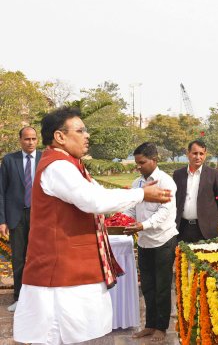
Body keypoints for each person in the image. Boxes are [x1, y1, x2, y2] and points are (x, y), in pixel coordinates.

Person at [13, 107, 171, 345]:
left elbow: (99, 193)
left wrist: (138, 194)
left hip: (69, 267)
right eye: (80, 130)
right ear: (60, 136)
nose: (87, 135)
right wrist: (141, 194)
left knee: (68, 334)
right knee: (55, 335)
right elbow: (93, 200)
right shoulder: (58, 166)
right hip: (60, 270)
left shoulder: (71, 164)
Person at [123, 142, 179, 343]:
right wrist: (122, 219)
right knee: (147, 286)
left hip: (163, 240)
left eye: (142, 162)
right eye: (137, 163)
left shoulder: (166, 182)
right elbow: (131, 208)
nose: (138, 166)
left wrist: (142, 225)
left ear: (154, 160)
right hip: (144, 241)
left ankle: (161, 327)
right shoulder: (137, 183)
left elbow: (165, 212)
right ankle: (149, 325)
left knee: (162, 287)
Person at [0, 126, 41, 312]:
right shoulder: (9, 160)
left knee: (39, 258)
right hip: (16, 216)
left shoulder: (44, 159)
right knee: (18, 259)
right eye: (27, 139)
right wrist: (2, 220)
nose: (30, 142)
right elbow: (1, 191)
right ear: (20, 140)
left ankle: (38, 299)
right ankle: (19, 298)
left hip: (40, 216)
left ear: (37, 140)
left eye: (33, 139)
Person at [173, 140, 218, 242]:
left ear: (205, 155)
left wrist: (207, 214)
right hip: (182, 228)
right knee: (181, 252)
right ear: (188, 153)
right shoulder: (178, 174)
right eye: (195, 153)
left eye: (201, 154)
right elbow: (175, 199)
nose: (198, 157)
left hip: (205, 229)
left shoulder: (213, 174)